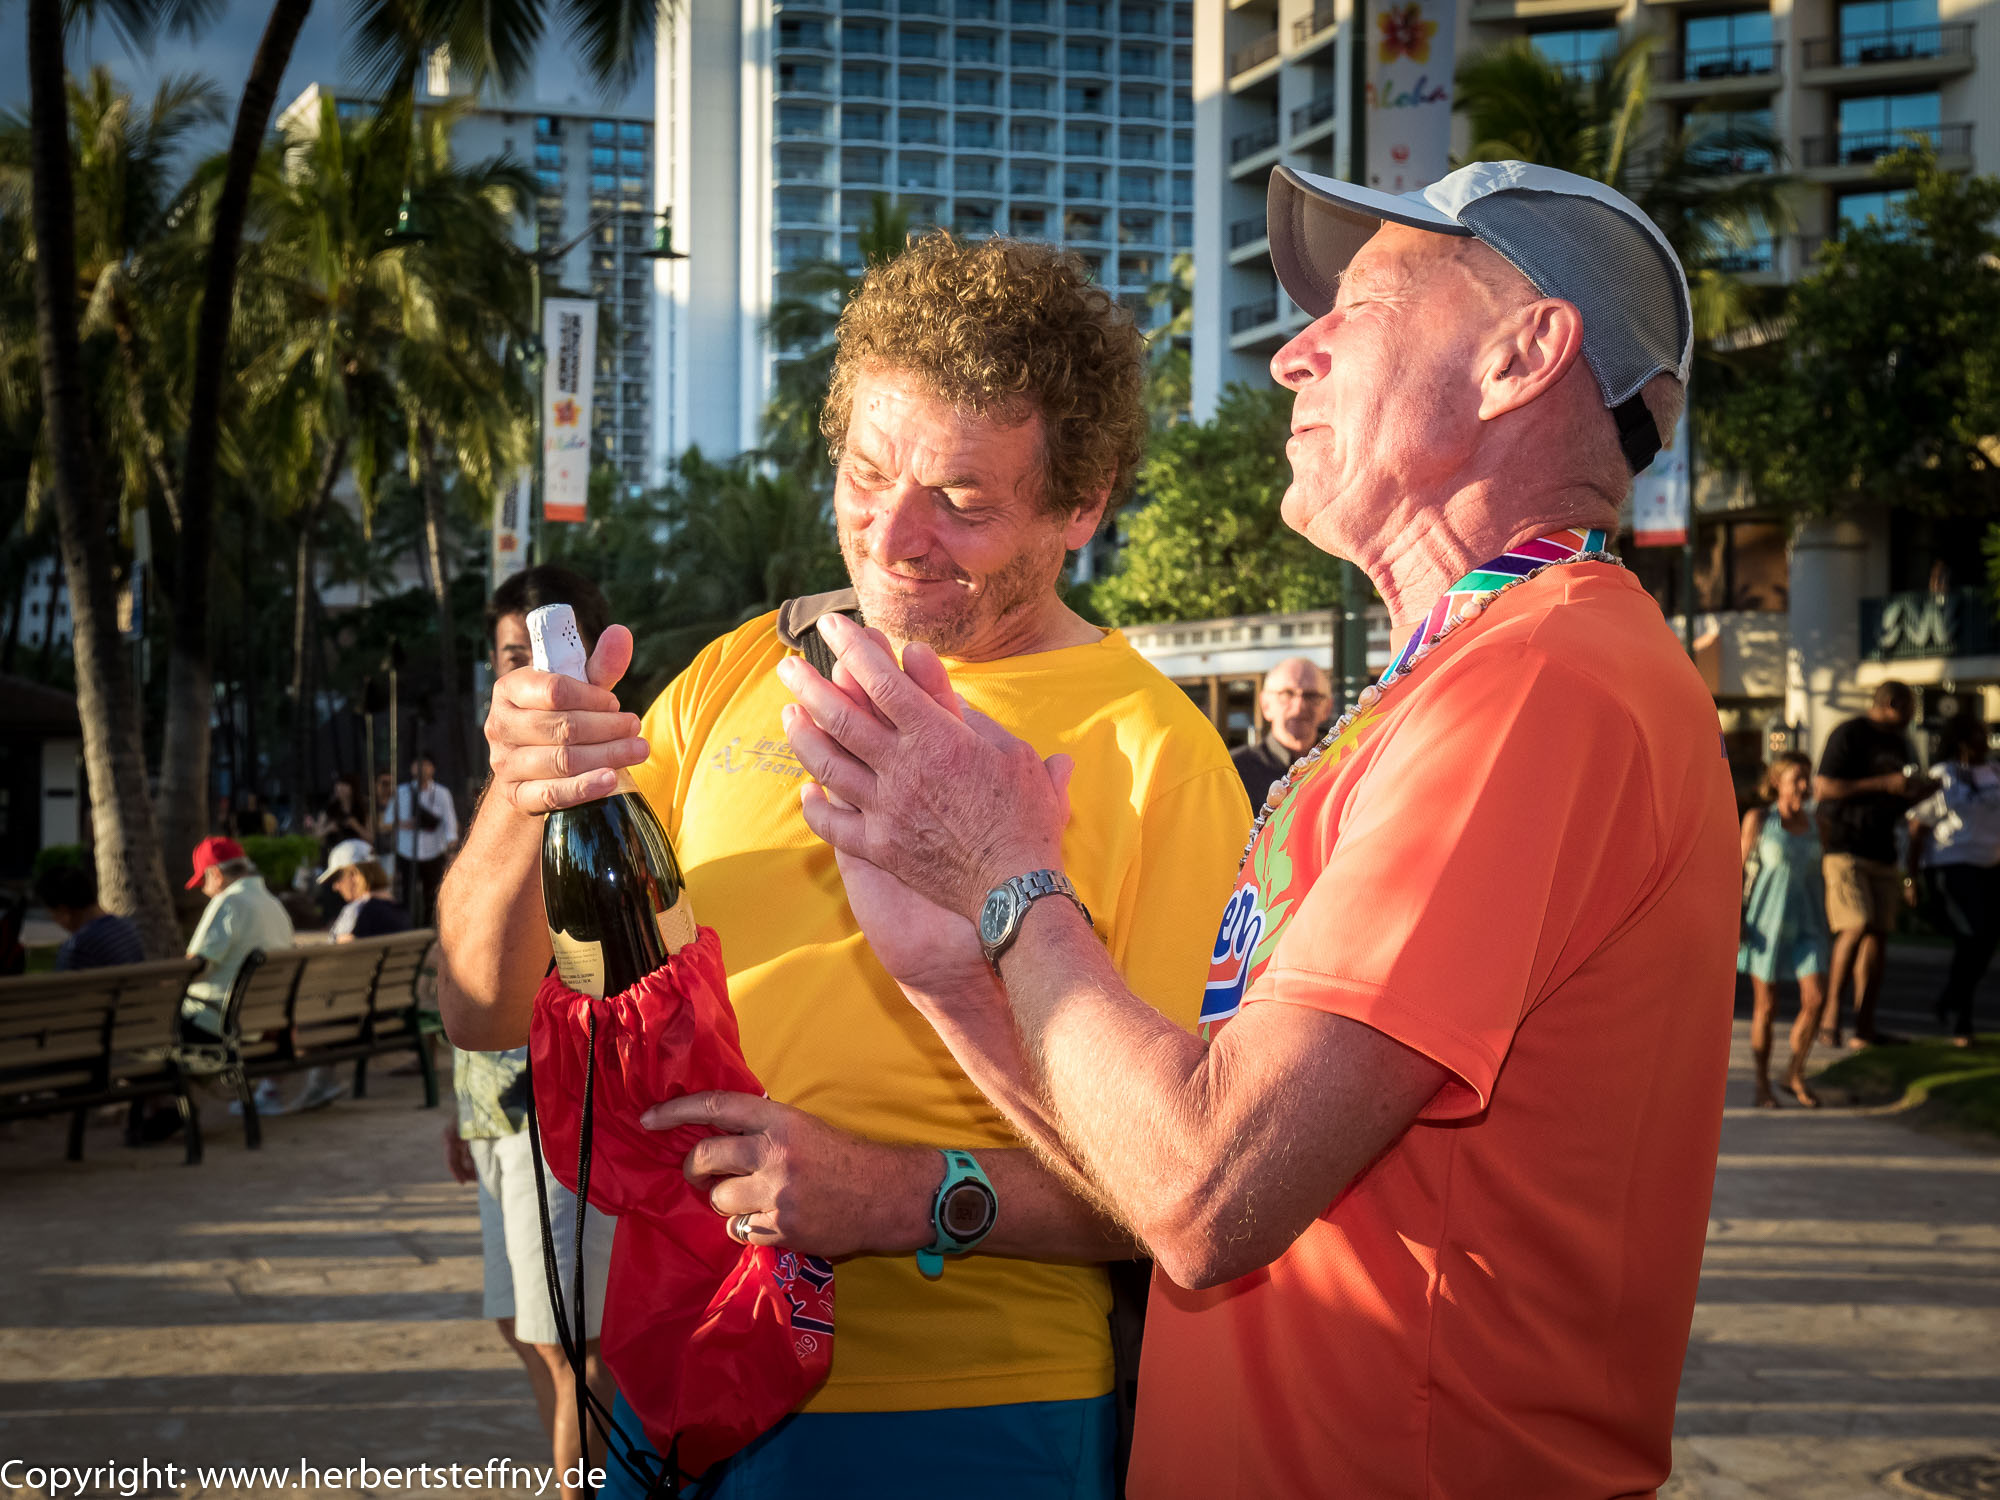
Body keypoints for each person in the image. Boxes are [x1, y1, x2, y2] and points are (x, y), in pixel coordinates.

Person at [780, 161, 1743, 1497]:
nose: (1294, 354)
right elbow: (1155, 1166)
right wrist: (952, 966)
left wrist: (1007, 879)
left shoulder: (1543, 680)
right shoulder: (1479, 675)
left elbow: (1208, 1193)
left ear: (1523, 356)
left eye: (1359, 307)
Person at [437, 234, 1249, 1498]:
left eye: (962, 502)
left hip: (969, 1411)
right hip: (675, 1367)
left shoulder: (1158, 757)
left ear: (1080, 508)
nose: (892, 537)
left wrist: (897, 1195)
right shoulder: (735, 674)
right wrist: (521, 787)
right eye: (866, 474)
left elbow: (1199, 1184)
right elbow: (481, 1006)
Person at [444, 566, 622, 1500]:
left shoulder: (605, 781)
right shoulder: (497, 782)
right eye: (509, 656)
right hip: (496, 1100)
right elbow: (468, 968)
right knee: (520, 1323)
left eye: (540, 651)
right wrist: (461, 1107)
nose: (524, 673)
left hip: (565, 1098)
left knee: (573, 1340)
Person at [1815, 680, 1930, 1047]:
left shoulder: (1901, 743)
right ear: (1892, 703)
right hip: (1845, 846)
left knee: (1878, 935)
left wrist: (1920, 791)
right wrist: (1884, 783)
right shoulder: (1849, 734)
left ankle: (1865, 1026)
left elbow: (1898, 796)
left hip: (1883, 849)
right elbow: (1824, 788)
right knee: (1855, 924)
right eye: (1910, 707)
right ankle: (1830, 1017)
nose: (1912, 716)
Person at [1738, 751, 1831, 1107]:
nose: (1805, 786)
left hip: (1809, 924)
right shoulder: (1760, 820)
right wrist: (1736, 919)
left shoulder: (1819, 824)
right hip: (1766, 923)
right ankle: (1762, 1084)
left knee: (1816, 998)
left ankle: (1794, 1071)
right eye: (1797, 779)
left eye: (1808, 778)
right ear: (1777, 782)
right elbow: (1737, 869)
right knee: (1766, 1006)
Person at [183, 836, 296, 1120]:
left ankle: (167, 1108)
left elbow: (195, 966)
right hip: (264, 1020)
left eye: (203, 881)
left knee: (156, 1030)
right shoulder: (274, 905)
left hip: (220, 1022)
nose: (204, 890)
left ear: (216, 874)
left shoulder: (228, 902)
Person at [1906, 716, 2000, 1045]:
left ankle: (1952, 1000)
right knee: (1971, 935)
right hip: (1952, 864)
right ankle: (1961, 1018)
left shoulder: (1995, 773)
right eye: (1977, 736)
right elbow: (1917, 827)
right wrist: (1911, 878)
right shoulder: (1943, 774)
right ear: (1960, 740)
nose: (1983, 742)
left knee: (1985, 942)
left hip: (1991, 865)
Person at [1230, 657, 1334, 811]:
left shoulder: (1339, 765)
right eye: (1287, 694)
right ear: (1265, 704)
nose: (1299, 706)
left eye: (1311, 696)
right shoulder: (1235, 772)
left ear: (1328, 708)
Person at [36, 860, 145, 971]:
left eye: (51, 914)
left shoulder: (77, 949)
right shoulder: (128, 928)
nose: (55, 921)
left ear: (63, 911)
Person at [392, 754, 458, 926]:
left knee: (433, 894)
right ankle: (406, 928)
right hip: (407, 851)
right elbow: (388, 820)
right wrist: (404, 824)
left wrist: (451, 848)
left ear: (433, 768)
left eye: (426, 765)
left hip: (433, 851)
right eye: (418, 764)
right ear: (412, 768)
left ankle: (430, 929)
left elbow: (450, 821)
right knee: (406, 893)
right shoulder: (401, 792)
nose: (422, 768)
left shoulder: (442, 793)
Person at [320, 838, 412, 940]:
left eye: (337, 877)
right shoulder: (400, 912)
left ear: (354, 874)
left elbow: (342, 948)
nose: (335, 886)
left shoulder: (357, 911)